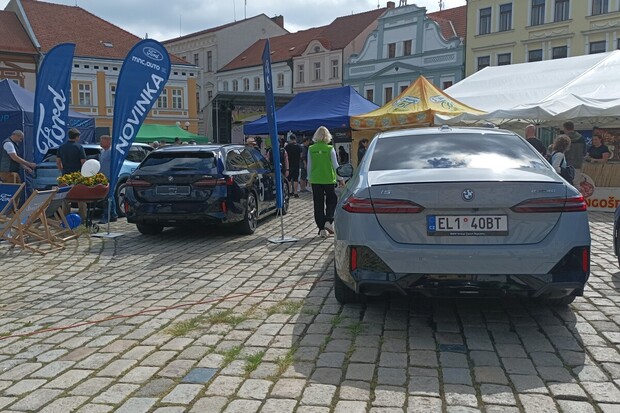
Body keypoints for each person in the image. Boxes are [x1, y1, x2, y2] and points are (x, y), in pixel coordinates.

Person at [307, 126, 344, 238]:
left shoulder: (311, 149)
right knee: (332, 199)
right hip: (328, 179)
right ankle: (329, 220)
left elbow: (309, 165)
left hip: (315, 179)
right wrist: (341, 179)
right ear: (328, 136)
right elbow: (335, 165)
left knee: (318, 203)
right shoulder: (330, 148)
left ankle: (321, 228)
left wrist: (309, 178)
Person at [57, 128, 87, 220]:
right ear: (77, 137)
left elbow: (58, 161)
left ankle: (66, 218)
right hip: (77, 175)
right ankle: (82, 217)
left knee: (65, 197)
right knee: (81, 197)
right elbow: (83, 161)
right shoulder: (79, 147)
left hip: (65, 175)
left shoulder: (61, 147)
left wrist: (62, 170)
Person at [98, 135, 117, 224]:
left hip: (110, 177)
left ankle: (106, 216)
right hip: (103, 177)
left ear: (108, 141)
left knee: (108, 197)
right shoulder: (102, 151)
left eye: (102, 141)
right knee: (109, 196)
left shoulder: (111, 152)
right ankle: (113, 214)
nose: (100, 142)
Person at [284, 133, 302, 198]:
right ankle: (295, 192)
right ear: (295, 139)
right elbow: (301, 156)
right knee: (295, 179)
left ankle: (289, 191)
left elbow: (284, 155)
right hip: (296, 164)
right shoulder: (299, 146)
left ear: (290, 139)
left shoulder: (287, 147)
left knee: (288, 179)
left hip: (289, 165)